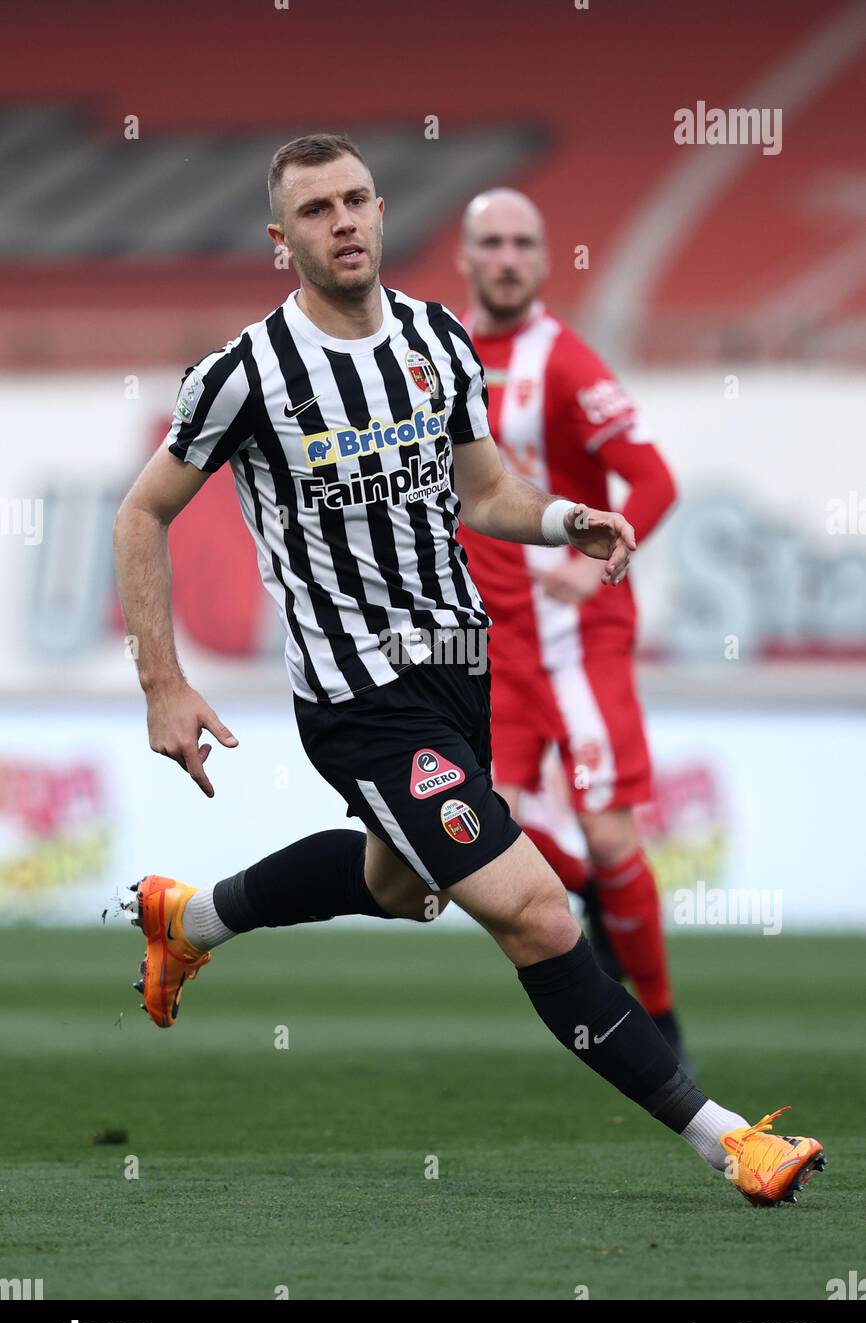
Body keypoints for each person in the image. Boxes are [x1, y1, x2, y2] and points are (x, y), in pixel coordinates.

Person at [112, 133, 824, 1208]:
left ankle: (188, 917)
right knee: (537, 912)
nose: (342, 222)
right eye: (315, 211)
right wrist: (162, 682)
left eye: (355, 201)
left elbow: (481, 489)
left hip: (457, 670)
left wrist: (559, 516)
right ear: (280, 239)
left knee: (398, 886)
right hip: (358, 696)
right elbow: (142, 510)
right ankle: (727, 1140)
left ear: (384, 211)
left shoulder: (440, 342)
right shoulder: (244, 376)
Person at [455, 187, 687, 1060]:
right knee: (480, 833)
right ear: (467, 259)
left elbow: (655, 480)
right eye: (493, 243)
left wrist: (584, 573)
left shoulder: (568, 362)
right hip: (491, 646)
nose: (508, 258)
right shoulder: (433, 357)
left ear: (544, 261)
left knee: (608, 828)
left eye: (524, 243)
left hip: (575, 641)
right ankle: (588, 889)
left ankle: (662, 1021)